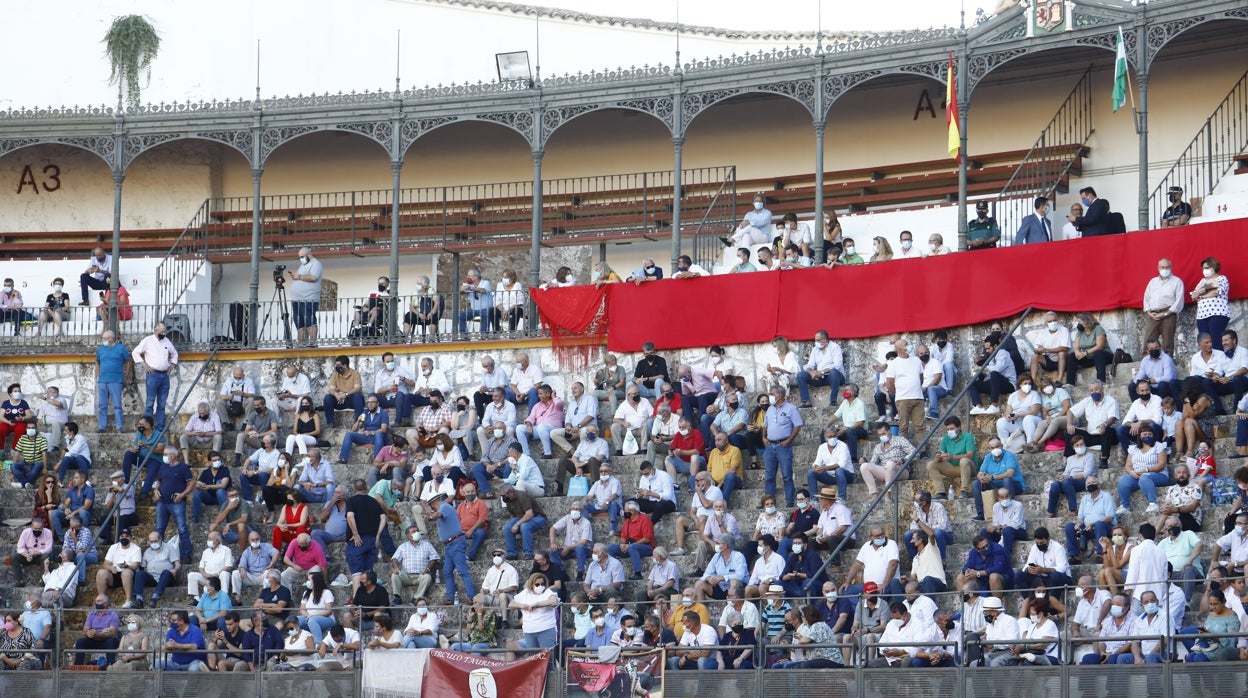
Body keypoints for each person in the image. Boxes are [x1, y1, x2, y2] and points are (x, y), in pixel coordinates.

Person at [139, 447, 195, 562]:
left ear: (173, 455)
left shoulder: (183, 467)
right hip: (162, 501)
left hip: (177, 502)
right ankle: (158, 555)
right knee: (159, 529)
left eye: (166, 454)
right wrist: (156, 490)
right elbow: (159, 481)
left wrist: (182, 495)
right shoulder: (163, 467)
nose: (164, 456)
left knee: (182, 528)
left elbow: (191, 483)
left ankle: (186, 554)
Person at [130, 322, 178, 431]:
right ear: (155, 331)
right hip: (153, 374)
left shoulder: (166, 341)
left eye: (164, 331)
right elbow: (135, 353)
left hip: (164, 375)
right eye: (161, 331)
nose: (163, 333)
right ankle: (148, 427)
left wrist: (172, 365)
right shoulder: (147, 341)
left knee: (162, 403)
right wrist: (144, 364)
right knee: (150, 402)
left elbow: (175, 353)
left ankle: (160, 427)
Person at [1116, 424, 1170, 515]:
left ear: (1153, 435)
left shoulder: (1159, 446)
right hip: (1138, 476)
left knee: (1144, 477)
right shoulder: (1133, 449)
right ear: (1140, 436)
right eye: (1144, 434)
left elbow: (1162, 464)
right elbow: (1128, 466)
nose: (1147, 436)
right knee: (1123, 480)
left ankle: (1153, 503)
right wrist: (1132, 472)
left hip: (1158, 475)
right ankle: (1124, 506)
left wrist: (1147, 470)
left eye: (1150, 434)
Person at [1141, 258, 1185, 356]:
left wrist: (1166, 313)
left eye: (1167, 267)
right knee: (1148, 339)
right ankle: (1147, 362)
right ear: (1158, 268)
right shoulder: (1153, 281)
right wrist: (1149, 312)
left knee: (1168, 341)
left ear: (1171, 267)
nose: (1165, 269)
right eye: (1162, 267)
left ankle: (1168, 363)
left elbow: (1179, 301)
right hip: (1153, 314)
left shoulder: (1177, 282)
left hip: (1168, 314)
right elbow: (1146, 298)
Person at [509, 573, 559, 653]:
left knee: (547, 657)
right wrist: (522, 606)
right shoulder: (525, 593)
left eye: (542, 584)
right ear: (531, 584)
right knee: (533, 657)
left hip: (546, 628)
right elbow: (511, 604)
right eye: (537, 584)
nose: (540, 586)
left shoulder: (547, 591)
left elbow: (553, 601)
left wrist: (537, 604)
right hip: (529, 630)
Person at [95, 329, 131, 433]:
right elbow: (97, 361)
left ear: (111, 339)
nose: (103, 340)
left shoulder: (121, 348)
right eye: (103, 338)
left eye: (105, 338)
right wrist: (98, 375)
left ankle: (119, 426)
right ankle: (102, 426)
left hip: (116, 380)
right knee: (102, 405)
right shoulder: (101, 349)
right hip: (102, 380)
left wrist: (126, 376)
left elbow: (128, 361)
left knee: (117, 405)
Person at [96, 527, 141, 607]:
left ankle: (128, 600)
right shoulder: (113, 547)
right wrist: (111, 568)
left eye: (126, 536)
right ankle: (101, 598)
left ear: (130, 537)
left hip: (129, 575)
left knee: (126, 572)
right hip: (114, 573)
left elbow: (136, 566)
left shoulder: (136, 549)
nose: (124, 538)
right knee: (101, 572)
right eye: (122, 536)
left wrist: (127, 566)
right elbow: (106, 563)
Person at [134, 531, 180, 607]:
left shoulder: (169, 548)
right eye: (151, 542)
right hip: (153, 578)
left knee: (166, 572)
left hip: (166, 578)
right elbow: (144, 567)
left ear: (160, 539)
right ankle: (139, 599)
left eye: (155, 541)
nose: (153, 543)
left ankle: (154, 598)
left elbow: (177, 564)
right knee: (139, 573)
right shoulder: (147, 551)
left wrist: (175, 570)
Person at [1190, 256, 1230, 341]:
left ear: (1214, 267)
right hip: (1202, 316)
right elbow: (1193, 296)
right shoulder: (1202, 281)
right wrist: (1201, 291)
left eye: (1207, 268)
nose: (1205, 270)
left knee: (1216, 340)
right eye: (1203, 268)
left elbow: (1216, 292)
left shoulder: (1222, 278)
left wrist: (1201, 295)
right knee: (1205, 340)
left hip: (1217, 313)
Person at [73, 595, 120, 666]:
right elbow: (85, 630)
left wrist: (98, 634)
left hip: (106, 640)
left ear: (106, 603)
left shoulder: (113, 615)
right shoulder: (92, 614)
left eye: (99, 601)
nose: (96, 603)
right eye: (96, 601)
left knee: (110, 641)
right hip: (93, 639)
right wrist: (89, 633)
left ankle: (110, 666)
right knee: (80, 642)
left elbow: (112, 633)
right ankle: (78, 666)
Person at [905, 490, 952, 559]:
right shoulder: (918, 509)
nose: (915, 503)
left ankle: (942, 560)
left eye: (916, 501)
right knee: (907, 535)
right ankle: (915, 560)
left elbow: (942, 527)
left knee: (938, 533)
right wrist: (923, 531)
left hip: (944, 536)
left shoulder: (938, 507)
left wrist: (926, 530)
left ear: (923, 503)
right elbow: (913, 526)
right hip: (926, 535)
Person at [12, 518, 52, 585]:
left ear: (43, 527)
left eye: (39, 529)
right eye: (35, 528)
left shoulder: (48, 532)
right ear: (31, 526)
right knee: (14, 556)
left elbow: (49, 549)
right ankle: (19, 581)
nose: (37, 530)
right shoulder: (25, 532)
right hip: (27, 556)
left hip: (39, 556)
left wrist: (36, 553)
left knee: (46, 556)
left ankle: (43, 580)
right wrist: (26, 555)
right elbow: (19, 547)